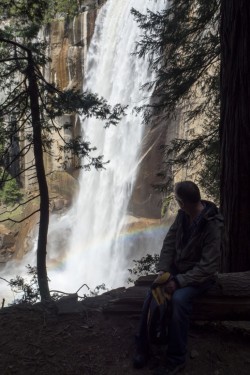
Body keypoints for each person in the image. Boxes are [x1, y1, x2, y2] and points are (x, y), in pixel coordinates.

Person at [133, 181, 224, 375]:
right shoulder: (183, 216)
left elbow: (208, 266)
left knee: (179, 300)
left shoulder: (212, 224)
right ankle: (143, 347)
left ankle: (176, 359)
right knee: (153, 292)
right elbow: (169, 242)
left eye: (177, 200)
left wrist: (179, 282)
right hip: (178, 270)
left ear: (183, 202)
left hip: (201, 277)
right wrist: (163, 271)